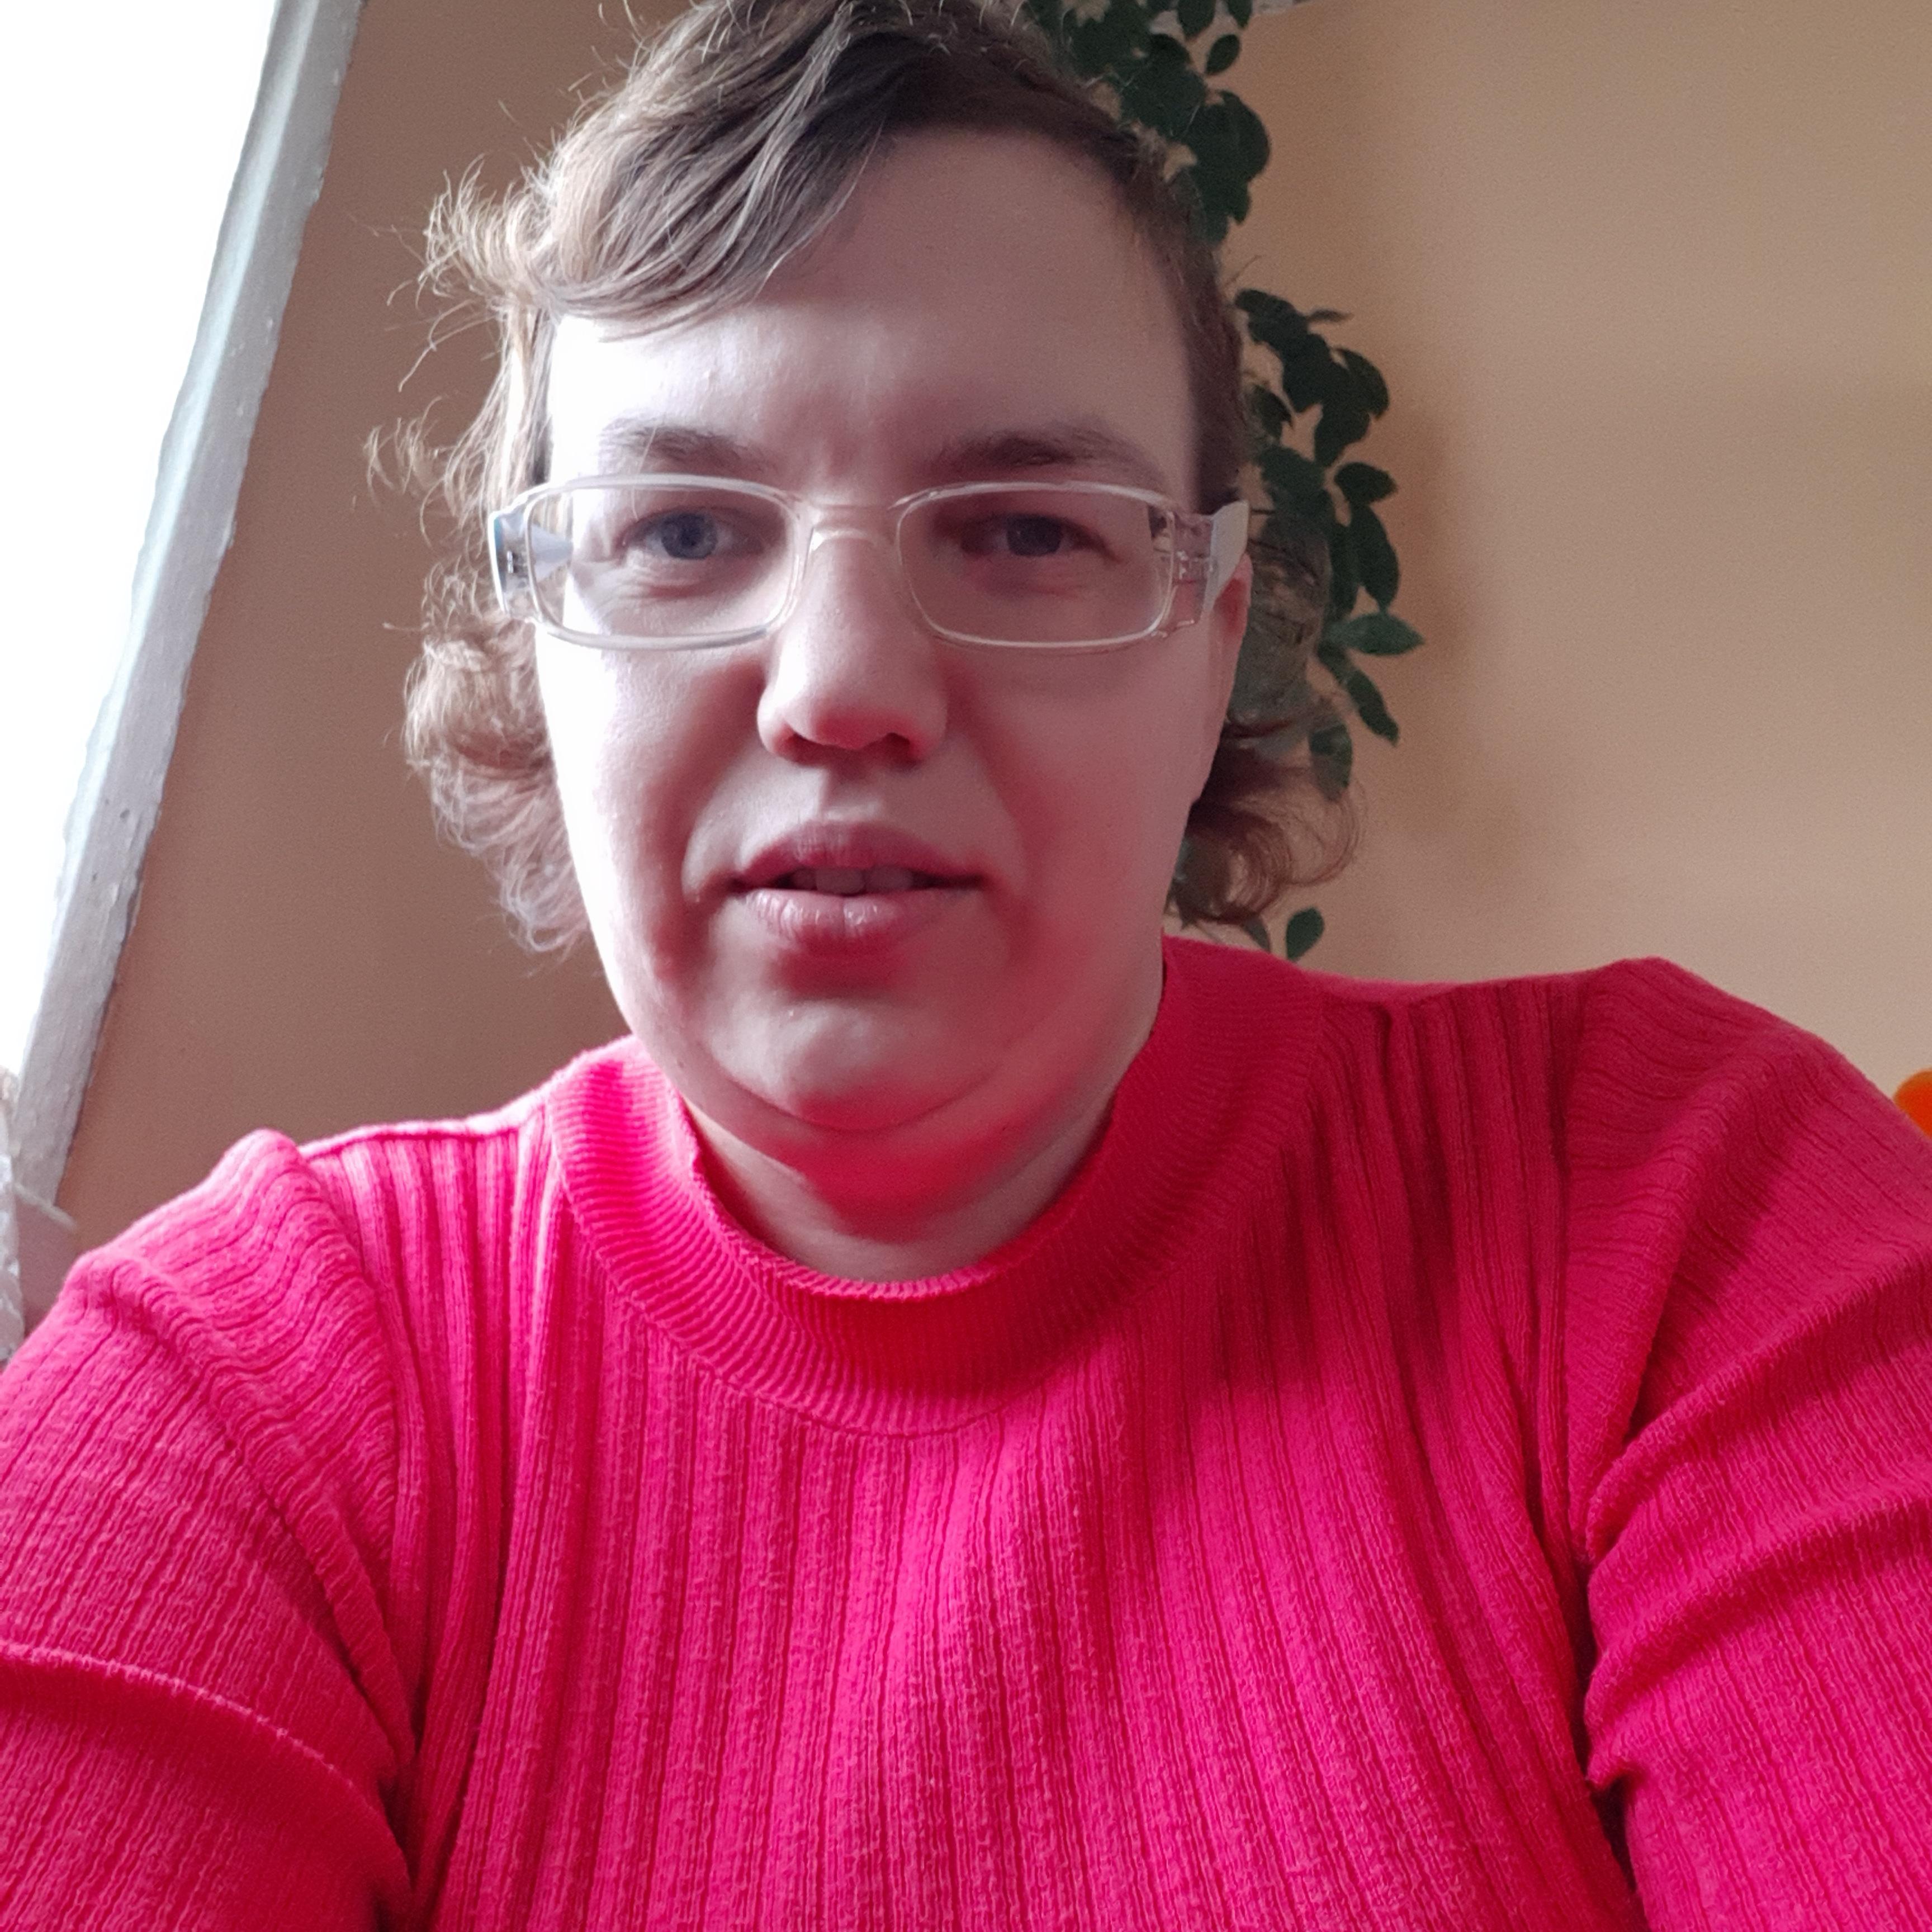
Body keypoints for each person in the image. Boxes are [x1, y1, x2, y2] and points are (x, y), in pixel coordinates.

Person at [1, 0, 1929, 1924]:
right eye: (683, 529)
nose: (844, 684)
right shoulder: (240, 1386)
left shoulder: (1687, 1203)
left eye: (1022, 531)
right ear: (544, 650)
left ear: (1213, 647)